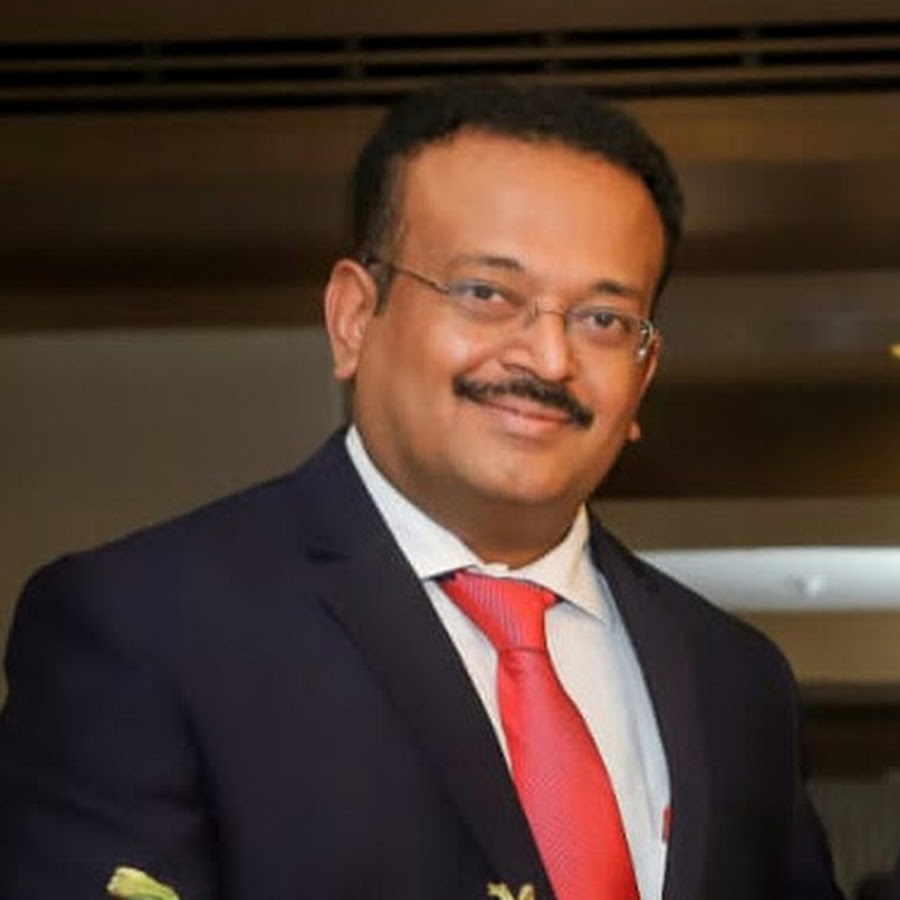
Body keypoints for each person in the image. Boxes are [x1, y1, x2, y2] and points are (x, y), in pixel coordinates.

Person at [0, 81, 843, 900]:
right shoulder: (147, 629)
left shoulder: (734, 680)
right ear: (352, 317)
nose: (549, 359)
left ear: (643, 372)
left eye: (603, 319)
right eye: (487, 294)